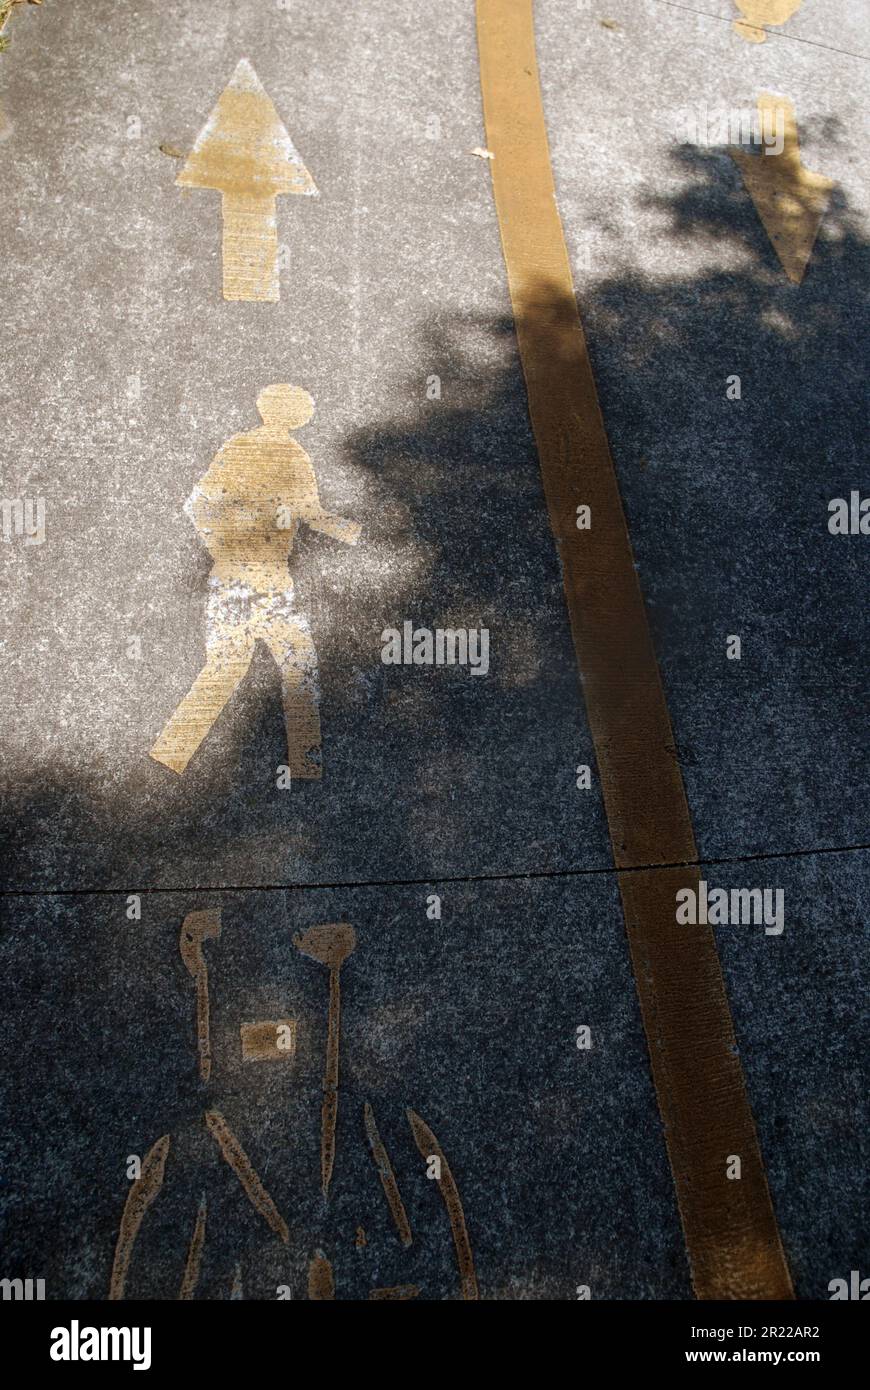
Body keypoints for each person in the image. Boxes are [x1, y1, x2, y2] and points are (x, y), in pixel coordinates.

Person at [150, 384, 359, 777]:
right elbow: (312, 513)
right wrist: (357, 533)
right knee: (299, 664)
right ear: (298, 417)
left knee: (225, 665)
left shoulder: (237, 446)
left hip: (228, 573)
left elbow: (196, 503)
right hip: (269, 578)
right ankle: (307, 766)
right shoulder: (293, 455)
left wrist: (219, 546)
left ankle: (171, 752)